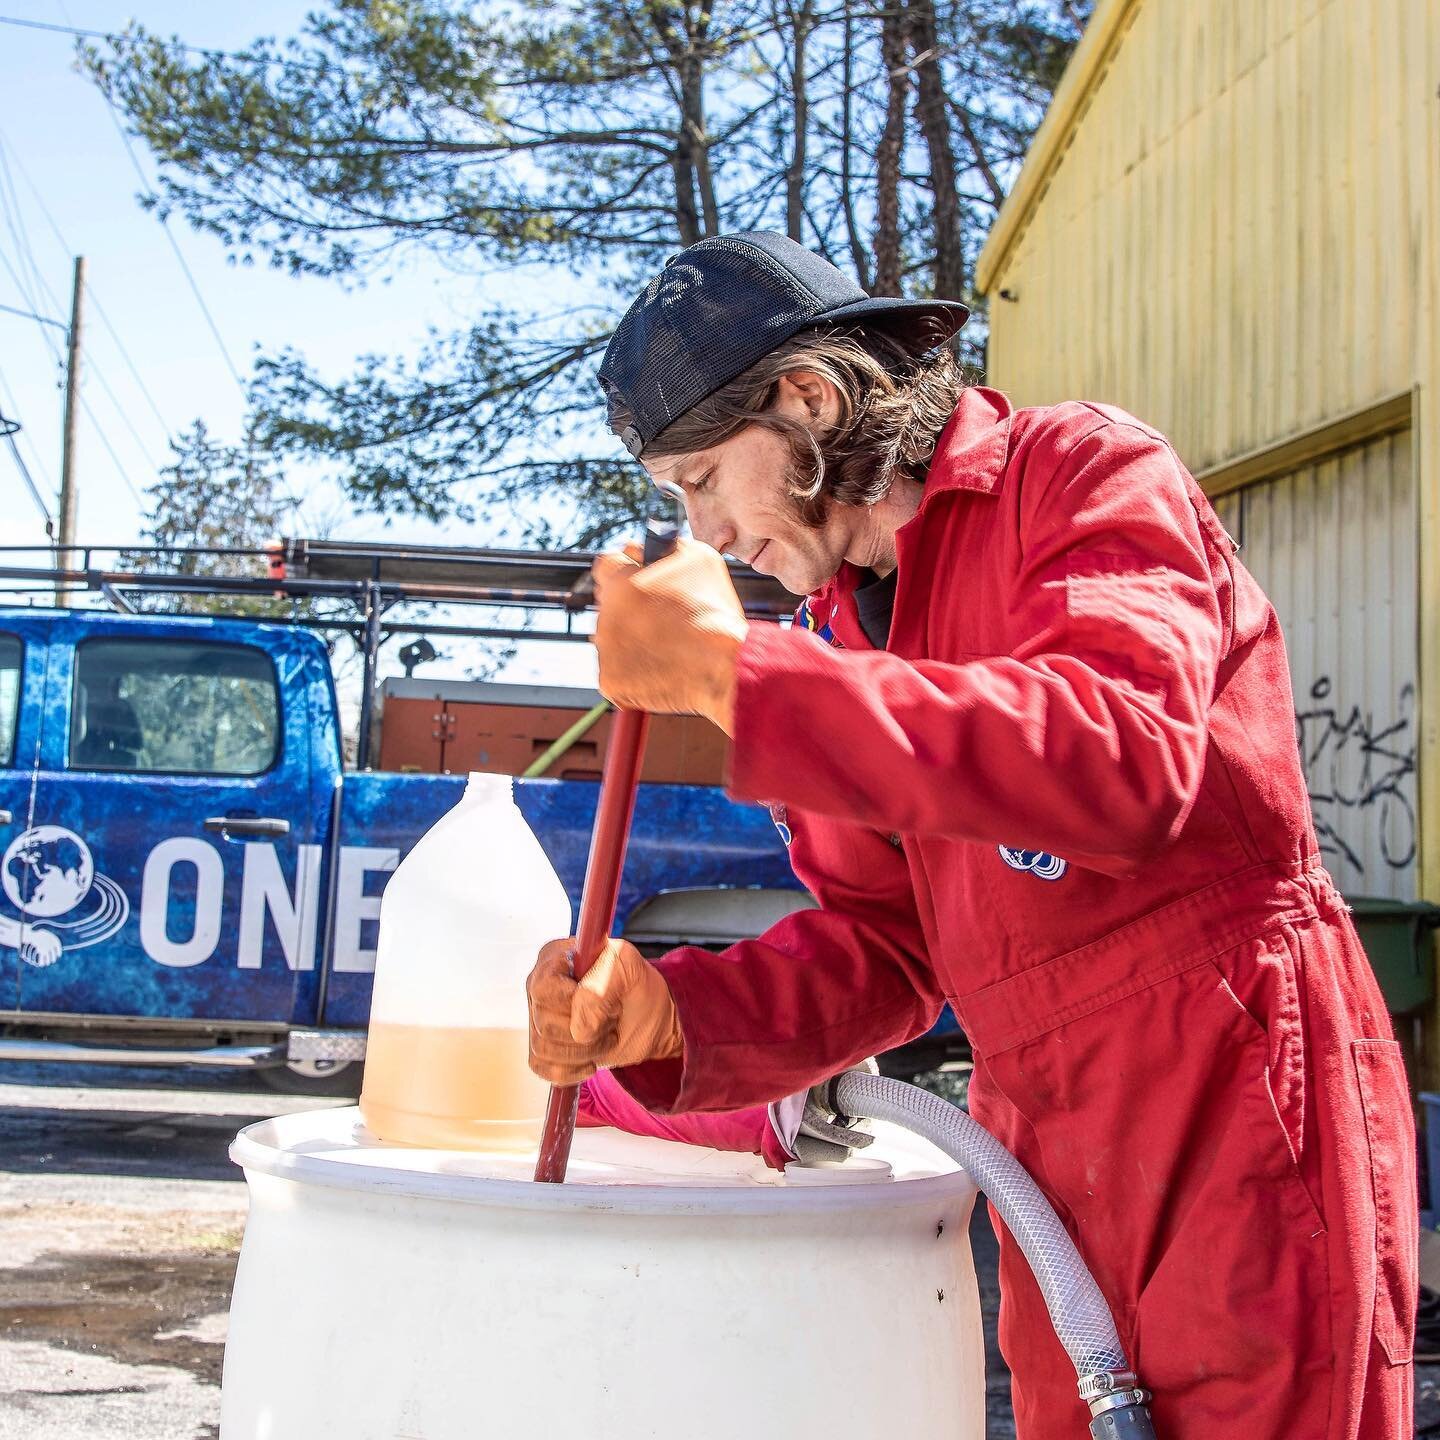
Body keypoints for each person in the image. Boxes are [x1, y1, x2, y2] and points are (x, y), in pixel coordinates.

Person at [527, 232, 1416, 1439]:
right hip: (1047, 1159)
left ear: (808, 400)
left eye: (701, 478)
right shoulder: (844, 636)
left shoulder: (1082, 473)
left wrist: (749, 681)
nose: (708, 532)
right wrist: (675, 1019)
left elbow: (1122, 760)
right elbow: (891, 950)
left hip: (1237, 1102)